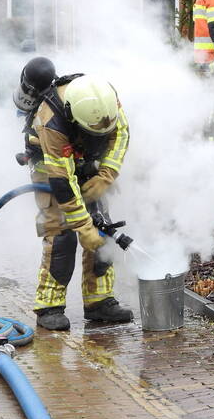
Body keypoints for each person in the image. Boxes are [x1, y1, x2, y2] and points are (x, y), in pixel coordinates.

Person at [16, 66, 133, 331]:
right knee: (62, 233)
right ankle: (49, 306)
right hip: (50, 167)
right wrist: (83, 227)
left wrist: (106, 174)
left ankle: (99, 301)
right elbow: (63, 182)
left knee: (103, 227)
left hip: (87, 162)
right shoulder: (52, 122)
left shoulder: (106, 99)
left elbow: (120, 134)